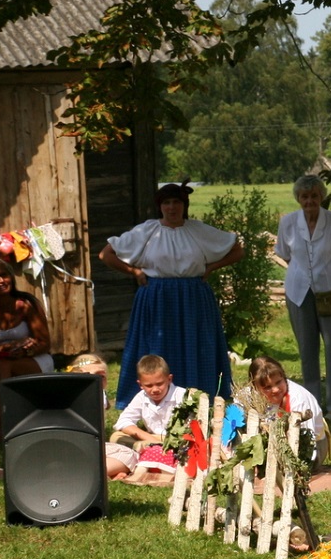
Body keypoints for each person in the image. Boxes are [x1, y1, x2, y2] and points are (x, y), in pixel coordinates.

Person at [99, 182, 244, 408]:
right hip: (157, 298)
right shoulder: (147, 231)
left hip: (192, 296)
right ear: (160, 206)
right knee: (157, 346)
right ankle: (152, 398)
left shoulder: (198, 230)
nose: (172, 207)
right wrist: (134, 271)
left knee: (196, 345)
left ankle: (198, 395)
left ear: (184, 205)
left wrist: (212, 267)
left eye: (176, 202)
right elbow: (106, 254)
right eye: (166, 202)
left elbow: (237, 250)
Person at [276, 175, 331, 415]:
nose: (310, 201)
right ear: (298, 198)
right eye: (305, 196)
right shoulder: (287, 222)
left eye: (314, 196)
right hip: (299, 291)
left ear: (322, 197)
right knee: (307, 349)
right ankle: (310, 403)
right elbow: (284, 253)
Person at [0, 258, 52, 445]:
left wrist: (24, 351)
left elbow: (45, 343)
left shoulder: (26, 304)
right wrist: (11, 346)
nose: (0, 281)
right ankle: (0, 427)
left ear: (11, 278)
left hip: (35, 359)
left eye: (4, 275)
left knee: (2, 364)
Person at [111, 354, 188, 479]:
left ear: (169, 379)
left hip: (176, 440)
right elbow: (123, 421)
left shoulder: (182, 396)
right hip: (150, 439)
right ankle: (147, 455)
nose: (155, 389)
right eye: (149, 386)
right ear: (140, 384)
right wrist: (149, 439)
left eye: (159, 384)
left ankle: (141, 462)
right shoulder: (142, 397)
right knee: (116, 437)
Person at [243, 356, 329, 464]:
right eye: (267, 387)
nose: (275, 389)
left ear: (284, 376)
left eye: (278, 382)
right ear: (255, 387)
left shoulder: (298, 400)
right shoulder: (249, 395)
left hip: (308, 446)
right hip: (271, 443)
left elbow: (309, 441)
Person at [67, 353, 138, 481]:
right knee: (128, 455)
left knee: (129, 453)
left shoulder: (101, 395)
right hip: (74, 445)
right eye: (91, 377)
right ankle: (88, 473)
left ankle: (103, 471)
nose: (98, 381)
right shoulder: (74, 397)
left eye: (102, 377)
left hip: (92, 445)